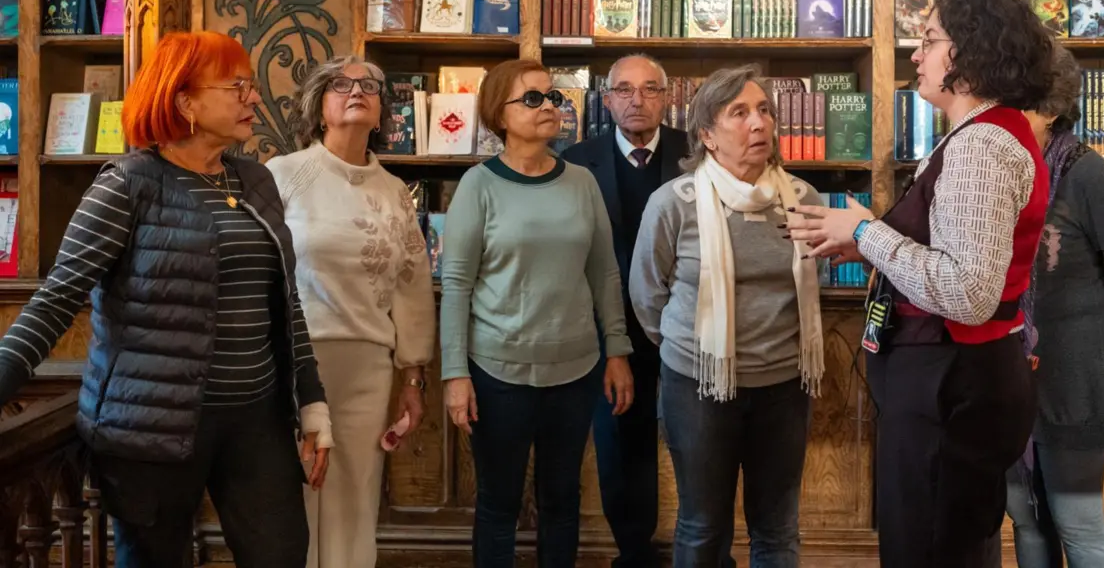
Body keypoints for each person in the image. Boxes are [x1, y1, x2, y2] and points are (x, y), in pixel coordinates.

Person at [0, 31, 331, 568]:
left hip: (257, 421)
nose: (254, 98)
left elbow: (286, 304)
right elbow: (55, 300)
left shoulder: (255, 181)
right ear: (186, 102)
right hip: (150, 428)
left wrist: (312, 405)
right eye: (237, 86)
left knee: (283, 554)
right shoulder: (127, 185)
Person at [786, 0, 1056, 567]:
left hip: (953, 383)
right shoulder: (977, 135)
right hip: (953, 380)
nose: (916, 54)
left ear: (973, 52)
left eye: (930, 40)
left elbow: (967, 291)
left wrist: (863, 231)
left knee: (929, 550)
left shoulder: (980, 146)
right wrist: (869, 247)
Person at [439, 58, 636, 568]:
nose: (549, 106)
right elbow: (456, 285)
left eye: (553, 97)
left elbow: (604, 275)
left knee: (561, 500)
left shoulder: (581, 182)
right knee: (498, 504)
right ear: (499, 114)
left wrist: (617, 351)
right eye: (533, 98)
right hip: (496, 373)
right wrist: (454, 373)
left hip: (575, 372)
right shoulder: (477, 186)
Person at [630, 64, 825, 568]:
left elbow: (811, 284)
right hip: (697, 386)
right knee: (701, 523)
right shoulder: (673, 203)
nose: (758, 123)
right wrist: (696, 349)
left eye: (764, 111)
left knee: (777, 526)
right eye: (739, 113)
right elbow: (647, 296)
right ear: (708, 136)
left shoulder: (803, 201)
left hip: (784, 385)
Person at [267, 56, 436, 568]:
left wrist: (413, 378)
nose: (356, 90)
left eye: (370, 85)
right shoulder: (282, 176)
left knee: (354, 498)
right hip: (292, 363)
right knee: (290, 495)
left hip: (368, 368)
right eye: (341, 84)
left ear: (383, 113)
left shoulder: (394, 194)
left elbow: (412, 287)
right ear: (319, 108)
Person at [1005, 46, 1104, 568]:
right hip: (1008, 383)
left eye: (1014, 101)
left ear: (1049, 108)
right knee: (1027, 523)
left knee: (1079, 528)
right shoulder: (998, 172)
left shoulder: (1088, 174)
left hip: (1075, 385)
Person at [561, 53, 691, 567]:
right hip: (609, 326)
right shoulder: (575, 161)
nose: (637, 100)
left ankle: (700, 550)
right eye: (624, 90)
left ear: (667, 96)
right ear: (608, 98)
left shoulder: (696, 153)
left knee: (696, 440)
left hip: (685, 322)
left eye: (650, 89)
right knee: (621, 444)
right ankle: (634, 553)